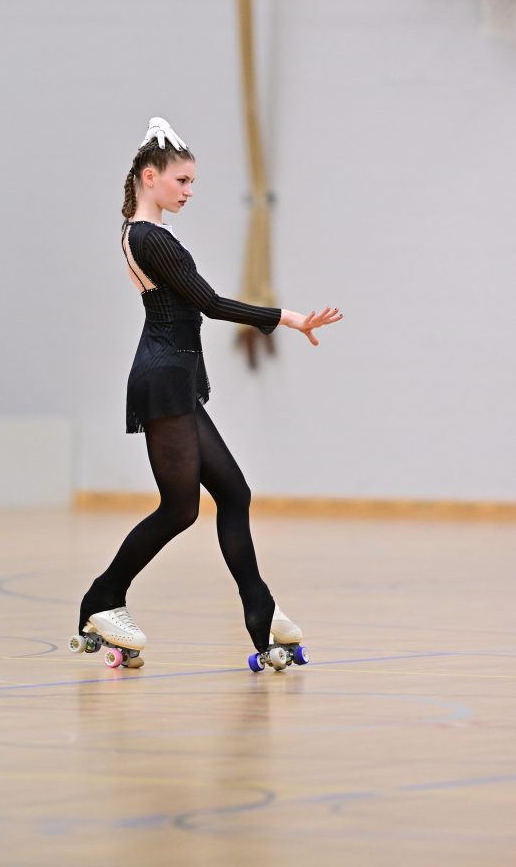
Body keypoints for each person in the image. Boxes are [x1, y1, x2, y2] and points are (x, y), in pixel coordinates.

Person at [73, 116, 343, 668]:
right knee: (179, 509)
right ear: (150, 177)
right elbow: (211, 304)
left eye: (192, 182)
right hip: (164, 379)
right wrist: (287, 317)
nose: (189, 191)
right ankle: (102, 598)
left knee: (233, 494)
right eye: (182, 181)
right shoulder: (149, 237)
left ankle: (259, 610)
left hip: (174, 377)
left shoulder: (143, 234)